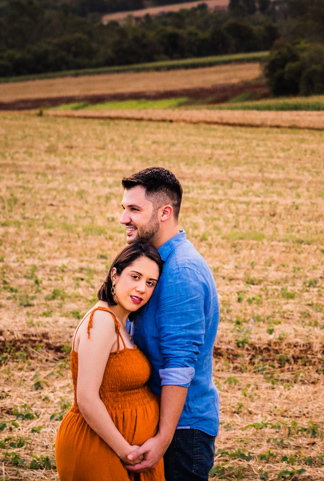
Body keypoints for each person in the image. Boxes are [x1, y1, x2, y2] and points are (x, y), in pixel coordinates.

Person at [118, 167, 221, 481]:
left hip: (181, 434)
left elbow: (179, 364)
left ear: (165, 212)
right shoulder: (157, 265)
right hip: (164, 427)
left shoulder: (182, 272)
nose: (123, 218)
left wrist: (163, 439)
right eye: (123, 208)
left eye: (134, 209)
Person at [55, 241, 165, 481]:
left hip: (120, 449)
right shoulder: (102, 320)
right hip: (98, 447)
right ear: (114, 275)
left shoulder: (121, 323)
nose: (141, 289)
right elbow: (86, 397)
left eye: (150, 283)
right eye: (135, 277)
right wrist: (126, 452)